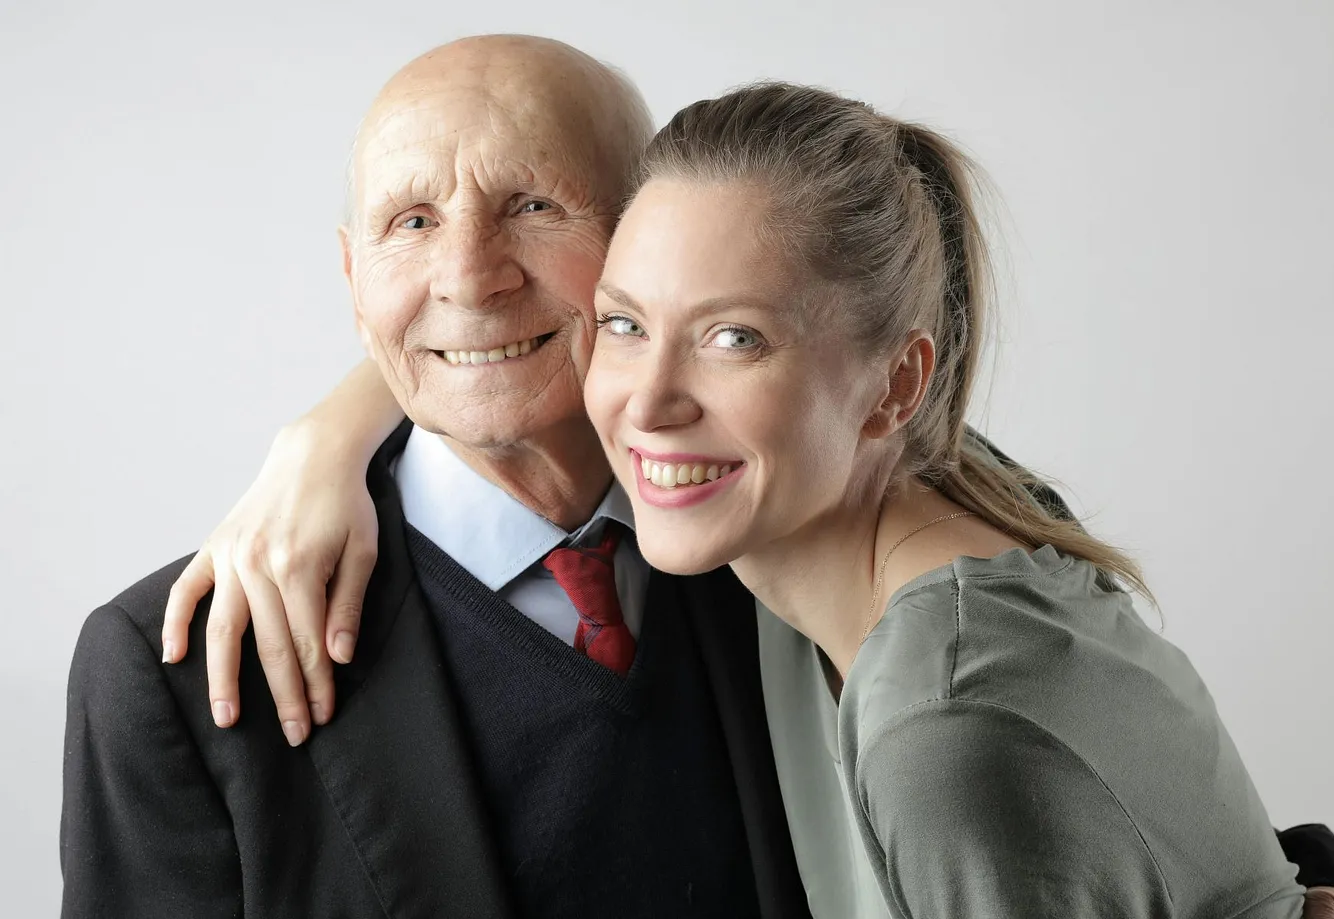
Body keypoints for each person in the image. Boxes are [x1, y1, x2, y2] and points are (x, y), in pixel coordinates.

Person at [151, 67, 1334, 919]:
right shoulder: (866, 503)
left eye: (732, 339)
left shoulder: (908, 660)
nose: (650, 398)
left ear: (894, 383)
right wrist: (322, 437)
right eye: (626, 325)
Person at [61, 36, 808, 919]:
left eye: (533, 204)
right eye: (412, 222)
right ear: (353, 277)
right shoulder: (173, 669)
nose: (469, 278)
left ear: (642, 242)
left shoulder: (787, 537)